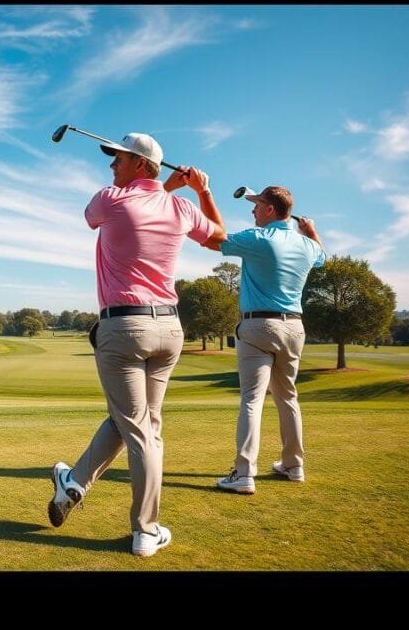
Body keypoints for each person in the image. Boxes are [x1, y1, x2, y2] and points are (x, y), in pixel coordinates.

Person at [48, 133, 225, 557]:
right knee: (138, 421)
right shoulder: (181, 207)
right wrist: (202, 191)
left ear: (142, 165)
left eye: (120, 159)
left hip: (124, 329)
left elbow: (99, 215)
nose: (112, 166)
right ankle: (73, 482)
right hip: (169, 330)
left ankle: (145, 530)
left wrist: (169, 189)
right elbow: (219, 237)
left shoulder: (111, 199)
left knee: (140, 430)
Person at [206, 186, 325, 495]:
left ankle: (244, 473)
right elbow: (322, 257)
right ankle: (294, 465)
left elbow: (214, 240)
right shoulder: (308, 246)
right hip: (294, 329)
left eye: (257, 205)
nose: (253, 211)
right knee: (288, 397)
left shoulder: (258, 239)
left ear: (270, 209)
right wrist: (311, 232)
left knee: (252, 399)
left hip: (258, 326)